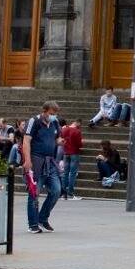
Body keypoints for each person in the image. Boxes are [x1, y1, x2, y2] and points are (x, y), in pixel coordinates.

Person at [23, 100, 64, 234]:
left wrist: (60, 141)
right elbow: (26, 141)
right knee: (34, 193)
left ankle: (43, 217)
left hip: (50, 161)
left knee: (56, 190)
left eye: (55, 114)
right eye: (51, 113)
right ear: (44, 112)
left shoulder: (54, 123)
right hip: (36, 160)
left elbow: (56, 138)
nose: (53, 116)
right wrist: (27, 160)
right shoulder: (34, 122)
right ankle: (33, 224)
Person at [59, 117, 84, 199]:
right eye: (80, 124)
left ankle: (63, 194)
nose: (80, 126)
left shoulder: (64, 130)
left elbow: (62, 140)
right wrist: (82, 143)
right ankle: (70, 193)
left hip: (66, 153)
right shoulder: (77, 131)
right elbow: (79, 145)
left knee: (65, 174)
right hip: (74, 153)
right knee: (72, 174)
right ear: (78, 122)